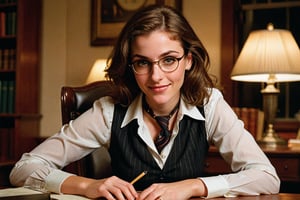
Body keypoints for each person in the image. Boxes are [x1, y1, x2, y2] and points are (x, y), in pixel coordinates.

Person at [10, 4, 280, 200]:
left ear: (188, 60)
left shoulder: (209, 103)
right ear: (130, 65)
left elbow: (267, 177)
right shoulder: (107, 112)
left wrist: (195, 186)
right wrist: (86, 186)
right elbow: (24, 169)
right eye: (142, 62)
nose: (156, 76)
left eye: (169, 59)